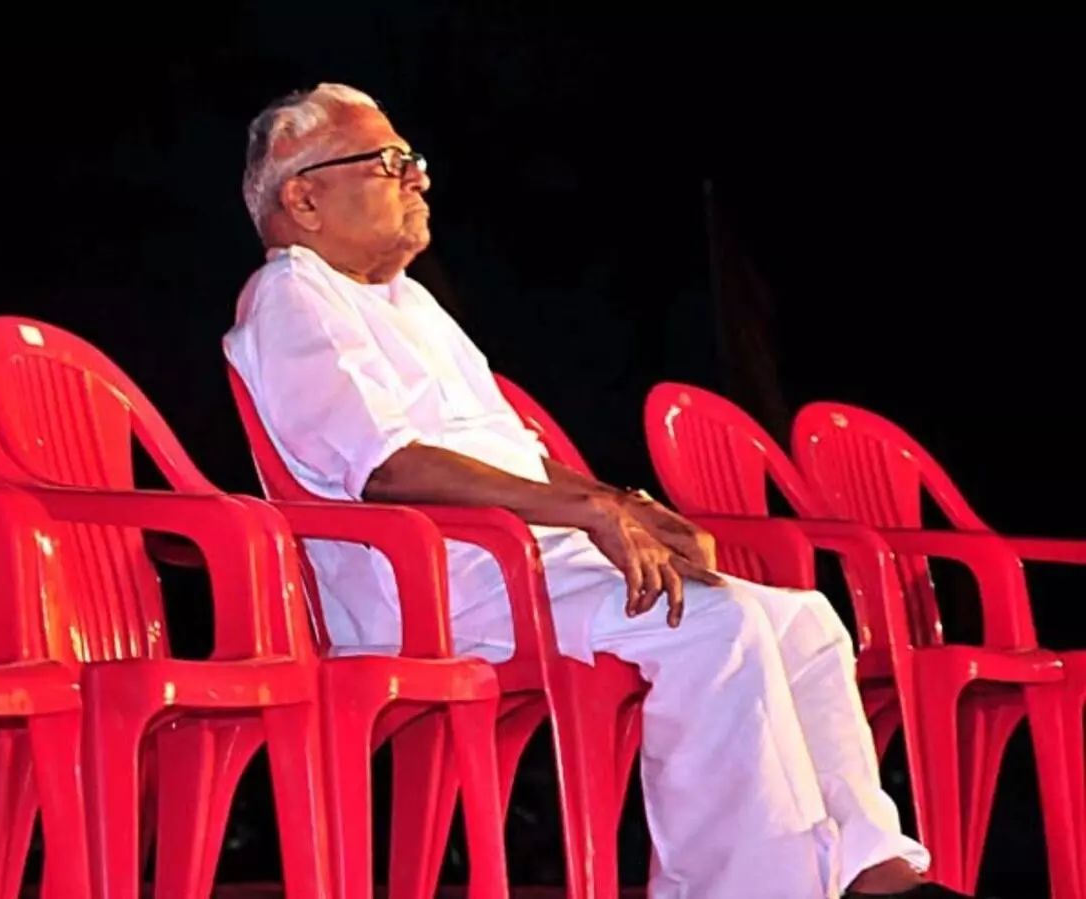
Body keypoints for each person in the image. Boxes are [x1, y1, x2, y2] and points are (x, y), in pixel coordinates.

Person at [223, 83, 962, 899]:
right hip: (432, 584)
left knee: (803, 619)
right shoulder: (293, 294)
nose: (418, 177)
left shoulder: (408, 302)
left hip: (517, 564)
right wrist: (586, 511)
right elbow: (388, 466)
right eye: (389, 161)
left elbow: (517, 457)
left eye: (413, 160)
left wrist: (623, 502)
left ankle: (869, 868)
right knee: (714, 628)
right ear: (304, 197)